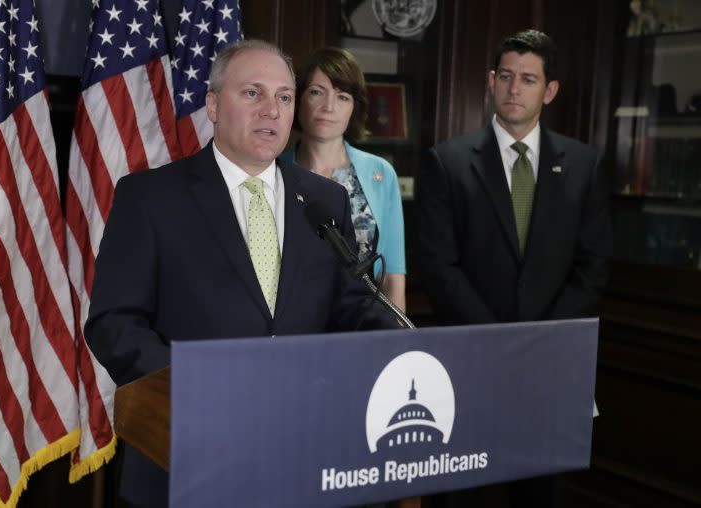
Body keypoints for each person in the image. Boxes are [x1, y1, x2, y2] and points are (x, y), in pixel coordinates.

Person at [85, 39, 400, 508]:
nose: (271, 110)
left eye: (284, 97)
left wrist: (403, 354)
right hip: (186, 452)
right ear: (212, 105)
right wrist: (195, 391)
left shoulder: (324, 201)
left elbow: (352, 305)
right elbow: (115, 323)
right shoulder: (150, 198)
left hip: (301, 452)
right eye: (252, 93)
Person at [415, 29, 611, 507]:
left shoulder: (584, 165)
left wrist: (540, 342)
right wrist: (499, 341)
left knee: (538, 492)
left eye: (528, 79)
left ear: (550, 90)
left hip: (551, 363)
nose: (514, 88)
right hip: (470, 358)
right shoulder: (449, 161)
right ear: (490, 81)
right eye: (506, 76)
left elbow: (593, 265)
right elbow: (439, 267)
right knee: (460, 494)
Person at [279, 47, 407, 311]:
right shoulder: (274, 170)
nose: (329, 107)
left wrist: (398, 344)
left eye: (343, 96)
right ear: (297, 99)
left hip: (362, 320)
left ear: (354, 108)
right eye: (316, 92)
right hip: (292, 321)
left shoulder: (381, 174)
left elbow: (392, 276)